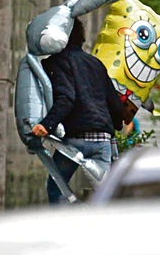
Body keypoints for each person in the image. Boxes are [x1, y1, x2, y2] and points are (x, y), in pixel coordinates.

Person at [31, 18, 136, 204]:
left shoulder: (56, 62)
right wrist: (117, 123)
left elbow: (66, 99)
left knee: (57, 189)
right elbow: (113, 103)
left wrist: (46, 124)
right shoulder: (96, 64)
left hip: (75, 141)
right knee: (104, 195)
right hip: (102, 141)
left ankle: (63, 230)